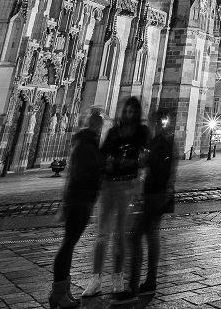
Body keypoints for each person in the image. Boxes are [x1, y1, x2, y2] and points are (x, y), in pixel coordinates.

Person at [83, 97, 149, 297]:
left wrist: (132, 165)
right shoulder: (113, 132)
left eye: (132, 112)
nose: (129, 115)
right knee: (102, 234)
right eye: (126, 111)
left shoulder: (141, 133)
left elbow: (145, 158)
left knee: (120, 235)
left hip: (126, 187)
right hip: (108, 187)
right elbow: (103, 156)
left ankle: (118, 277)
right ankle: (96, 279)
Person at [113, 108, 177, 303]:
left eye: (155, 121)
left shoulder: (164, 141)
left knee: (135, 237)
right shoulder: (159, 141)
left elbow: (164, 168)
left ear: (159, 122)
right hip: (157, 194)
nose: (152, 124)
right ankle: (150, 281)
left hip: (155, 195)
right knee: (152, 235)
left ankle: (133, 288)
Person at [49, 112, 103, 309]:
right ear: (95, 126)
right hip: (80, 199)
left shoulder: (86, 143)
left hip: (82, 198)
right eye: (100, 125)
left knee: (69, 244)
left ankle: (63, 290)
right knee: (68, 244)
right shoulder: (85, 145)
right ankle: (58, 292)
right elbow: (80, 174)